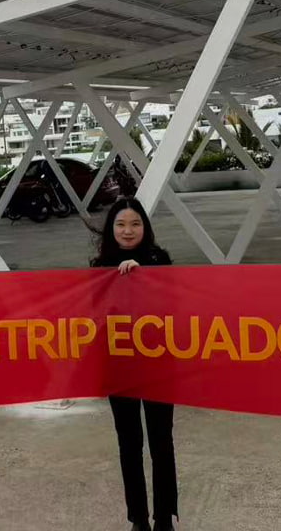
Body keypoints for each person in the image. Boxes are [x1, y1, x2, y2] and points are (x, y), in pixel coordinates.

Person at [91, 197, 179, 531]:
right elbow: (93, 315)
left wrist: (144, 276)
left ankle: (164, 518)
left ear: (145, 227)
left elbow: (174, 304)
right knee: (129, 444)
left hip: (158, 367)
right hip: (120, 368)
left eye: (135, 224)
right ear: (111, 229)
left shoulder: (160, 260)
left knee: (161, 442)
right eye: (121, 224)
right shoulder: (100, 267)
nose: (128, 231)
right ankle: (138, 519)